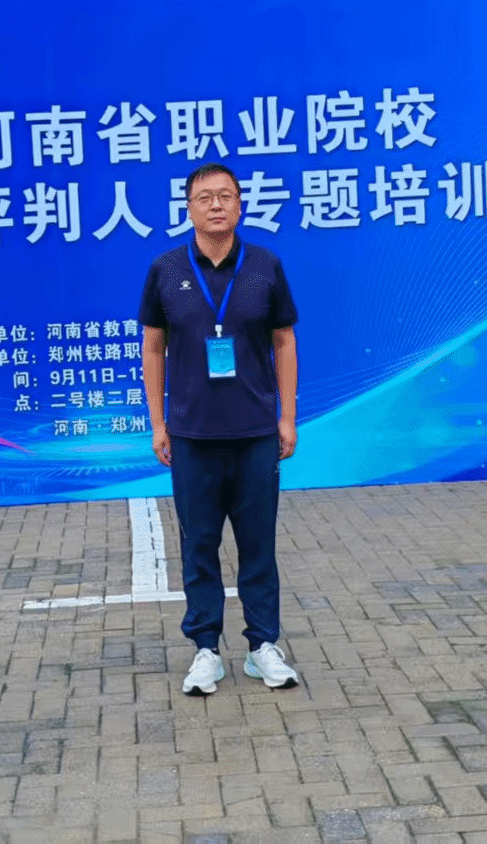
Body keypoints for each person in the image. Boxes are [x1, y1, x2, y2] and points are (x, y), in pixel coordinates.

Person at [138, 162, 301, 696]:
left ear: (240, 205)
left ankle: (262, 647)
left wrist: (286, 416)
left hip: (255, 434)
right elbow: (154, 347)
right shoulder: (165, 269)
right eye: (205, 197)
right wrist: (159, 423)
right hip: (192, 436)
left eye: (225, 196)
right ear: (189, 208)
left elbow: (284, 341)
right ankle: (205, 649)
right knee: (199, 546)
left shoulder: (265, 266)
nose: (215, 205)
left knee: (258, 546)